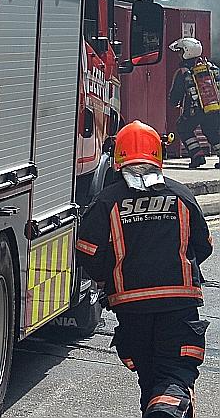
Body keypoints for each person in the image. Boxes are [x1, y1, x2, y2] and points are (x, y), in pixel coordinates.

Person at [76, 121, 211, 418]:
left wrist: (106, 279)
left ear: (118, 157)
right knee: (174, 374)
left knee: (150, 380)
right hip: (178, 307)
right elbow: (204, 246)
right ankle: (165, 410)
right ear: (158, 155)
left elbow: (86, 251)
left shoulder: (106, 201)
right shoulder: (182, 196)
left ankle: (161, 410)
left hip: (131, 309)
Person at [167, 37, 220, 168]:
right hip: (213, 107)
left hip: (194, 110)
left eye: (180, 52)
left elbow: (175, 95)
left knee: (183, 127)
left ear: (186, 52)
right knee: (211, 131)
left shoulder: (183, 72)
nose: (179, 55)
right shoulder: (211, 67)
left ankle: (197, 155)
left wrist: (174, 103)